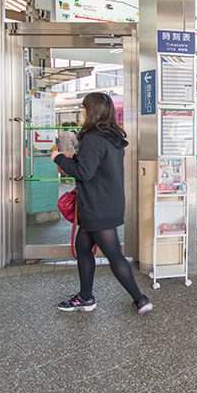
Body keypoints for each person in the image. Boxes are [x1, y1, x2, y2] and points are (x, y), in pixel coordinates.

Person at [51, 92, 151, 315]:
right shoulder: (111, 136)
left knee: (114, 254)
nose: (82, 111)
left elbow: (84, 172)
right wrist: (73, 157)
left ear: (91, 111)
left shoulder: (92, 138)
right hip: (108, 203)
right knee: (83, 247)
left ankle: (140, 298)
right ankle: (86, 297)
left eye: (84, 107)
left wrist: (59, 159)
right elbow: (96, 166)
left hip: (97, 207)